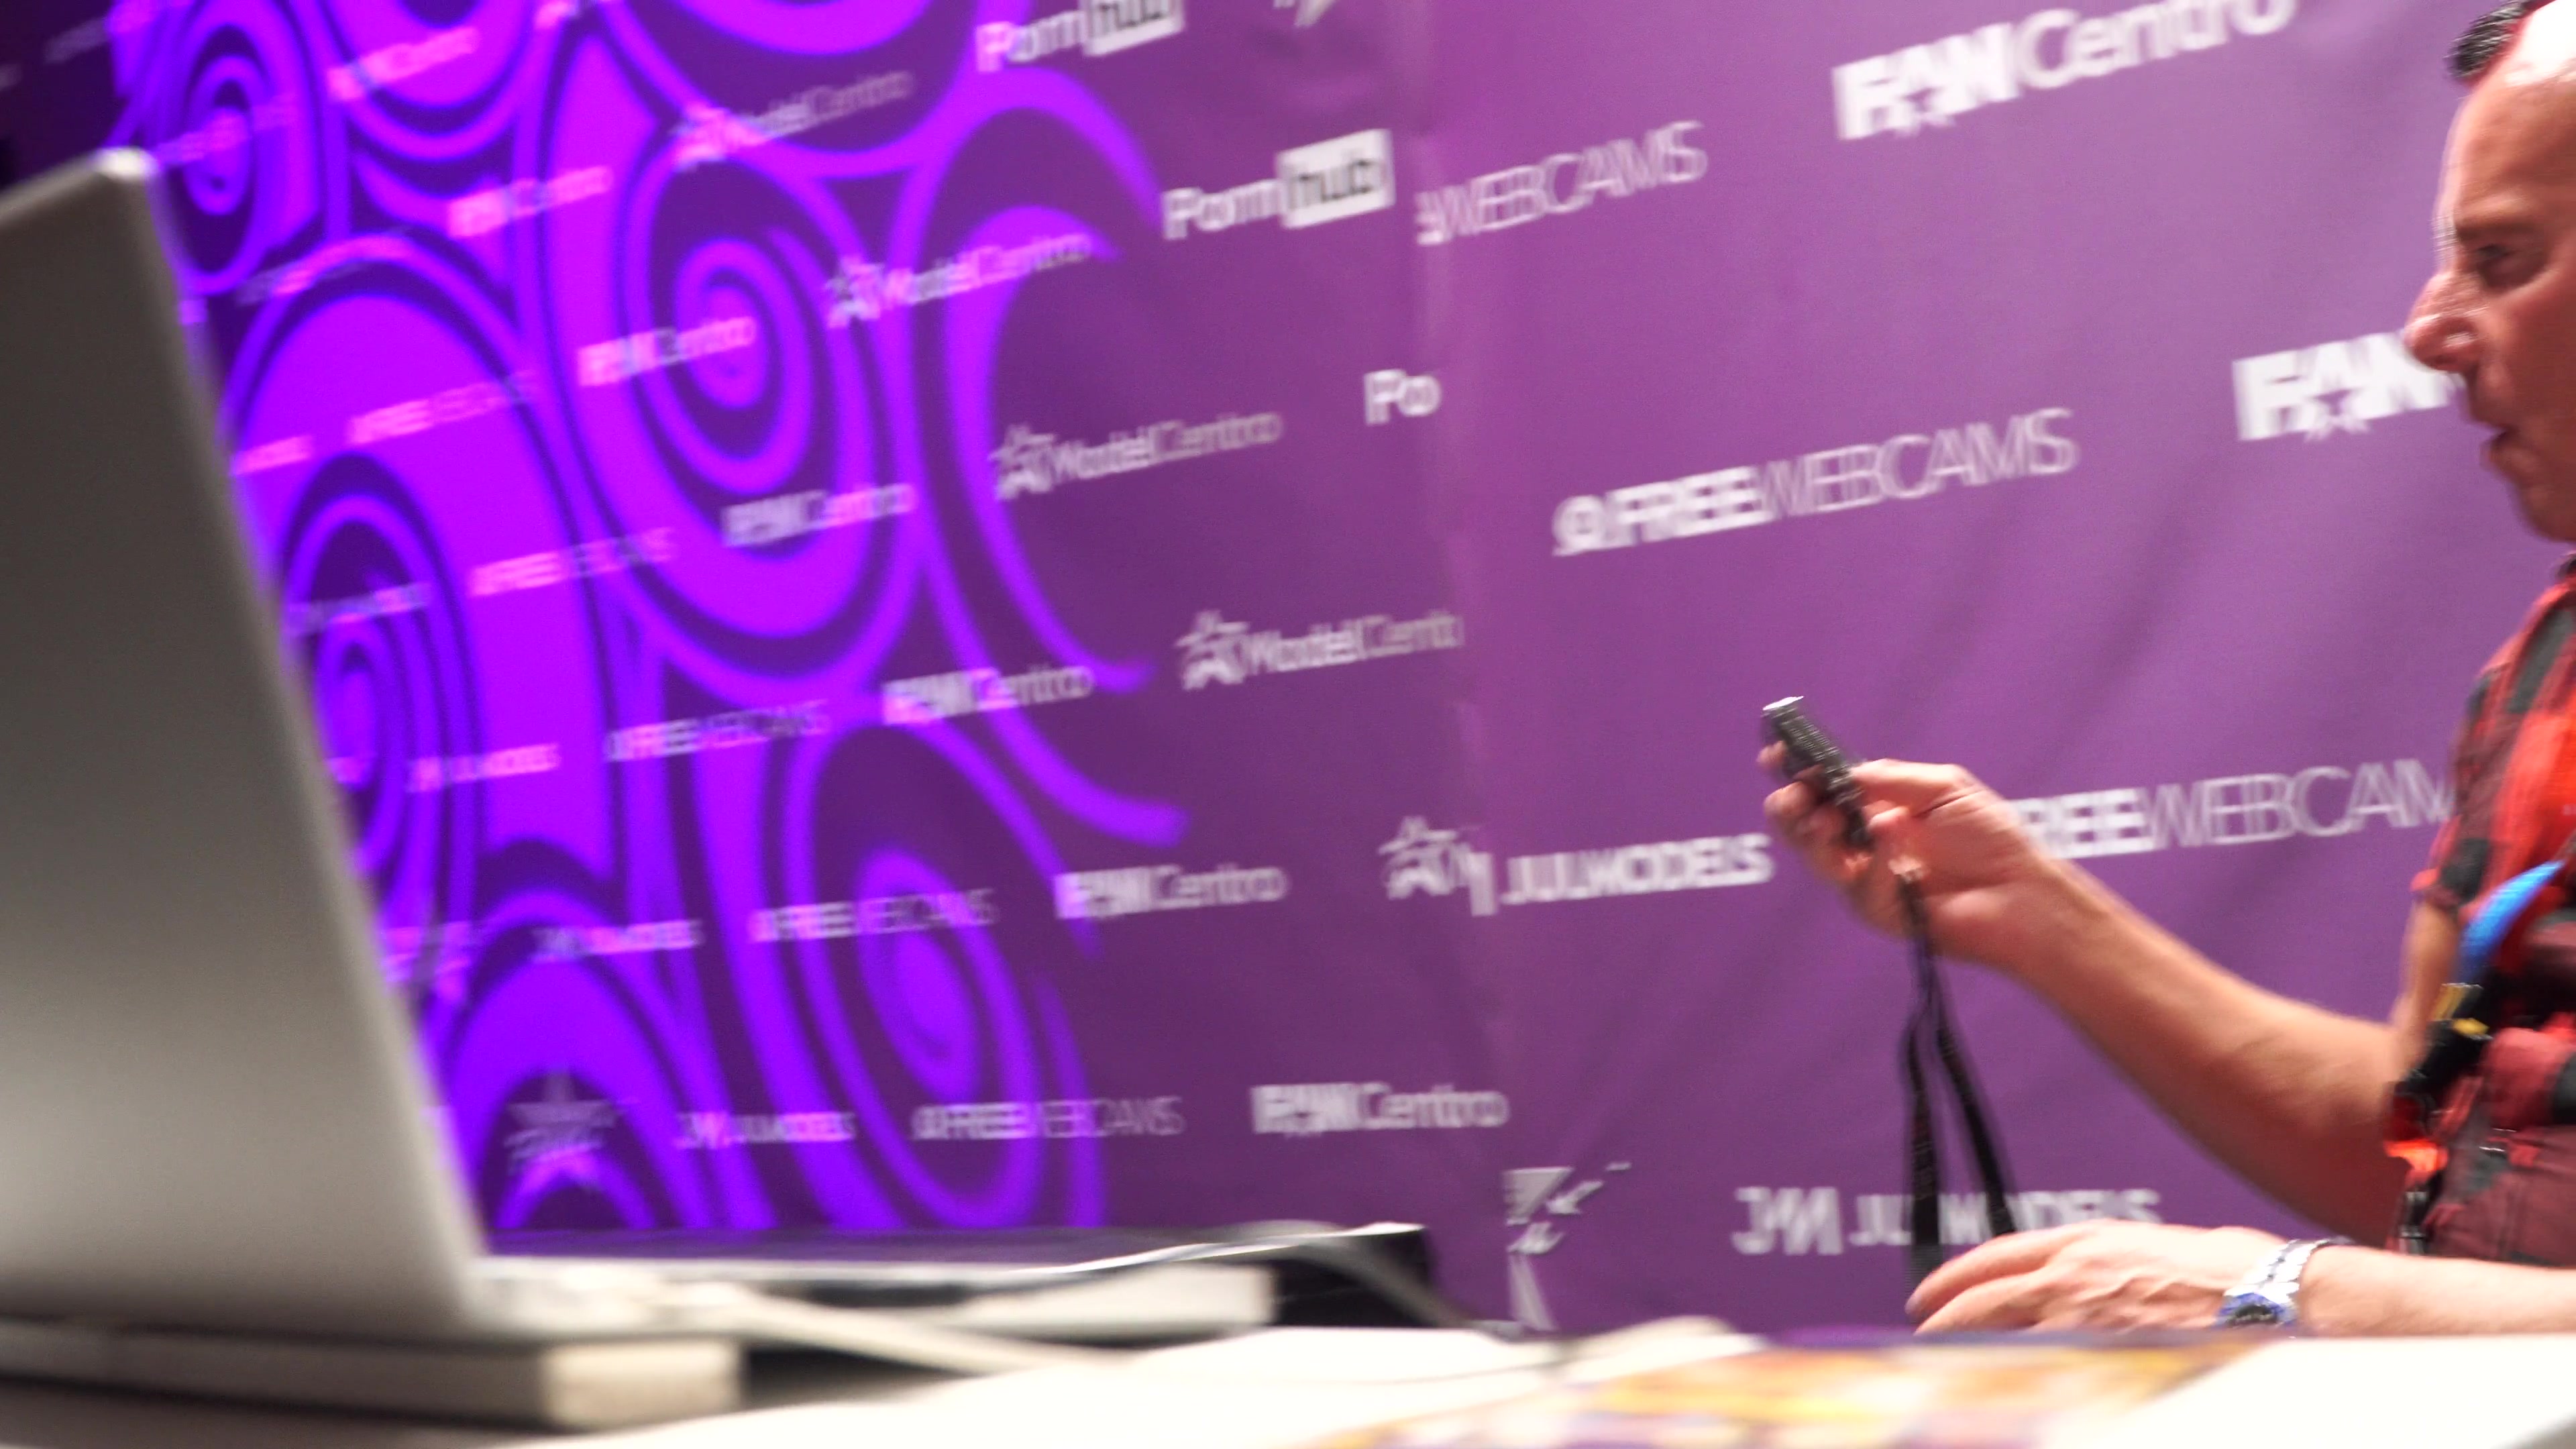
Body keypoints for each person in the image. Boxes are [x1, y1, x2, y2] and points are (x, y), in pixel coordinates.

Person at [1762, 0, 2576, 1334]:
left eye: (2501, 259)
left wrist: (2281, 1293)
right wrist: (2035, 914)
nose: (2429, 328)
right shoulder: (2537, 668)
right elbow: (2425, 1149)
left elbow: (2364, 1279)